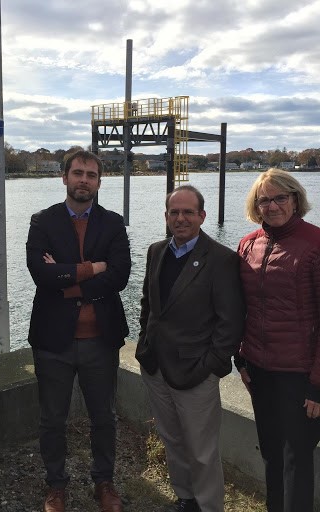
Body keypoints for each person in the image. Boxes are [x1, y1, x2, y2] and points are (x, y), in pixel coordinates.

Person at [26, 150, 131, 512]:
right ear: (64, 178)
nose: (84, 180)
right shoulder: (42, 221)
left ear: (99, 181)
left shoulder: (113, 223)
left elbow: (120, 275)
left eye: (91, 174)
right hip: (53, 340)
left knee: (103, 417)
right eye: (77, 173)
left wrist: (68, 277)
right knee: (52, 419)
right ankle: (56, 485)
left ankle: (104, 482)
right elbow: (41, 275)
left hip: (100, 339)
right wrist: (93, 268)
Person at [136, 185, 246, 512]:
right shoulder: (156, 251)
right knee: (172, 441)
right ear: (166, 215)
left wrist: (210, 365)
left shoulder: (222, 260)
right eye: (174, 212)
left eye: (188, 212)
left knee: (202, 451)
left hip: (196, 373)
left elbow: (231, 323)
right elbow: (148, 305)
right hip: (156, 367)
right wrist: (145, 344)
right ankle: (186, 498)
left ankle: (209, 505)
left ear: (202, 216)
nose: (180, 218)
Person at [236, 168, 320, 512]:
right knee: (271, 453)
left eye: (279, 198)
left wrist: (317, 384)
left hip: (299, 375)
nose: (271, 206)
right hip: (260, 369)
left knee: (296, 460)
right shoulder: (248, 244)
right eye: (264, 200)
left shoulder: (315, 244)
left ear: (295, 199)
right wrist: (240, 358)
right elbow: (241, 307)